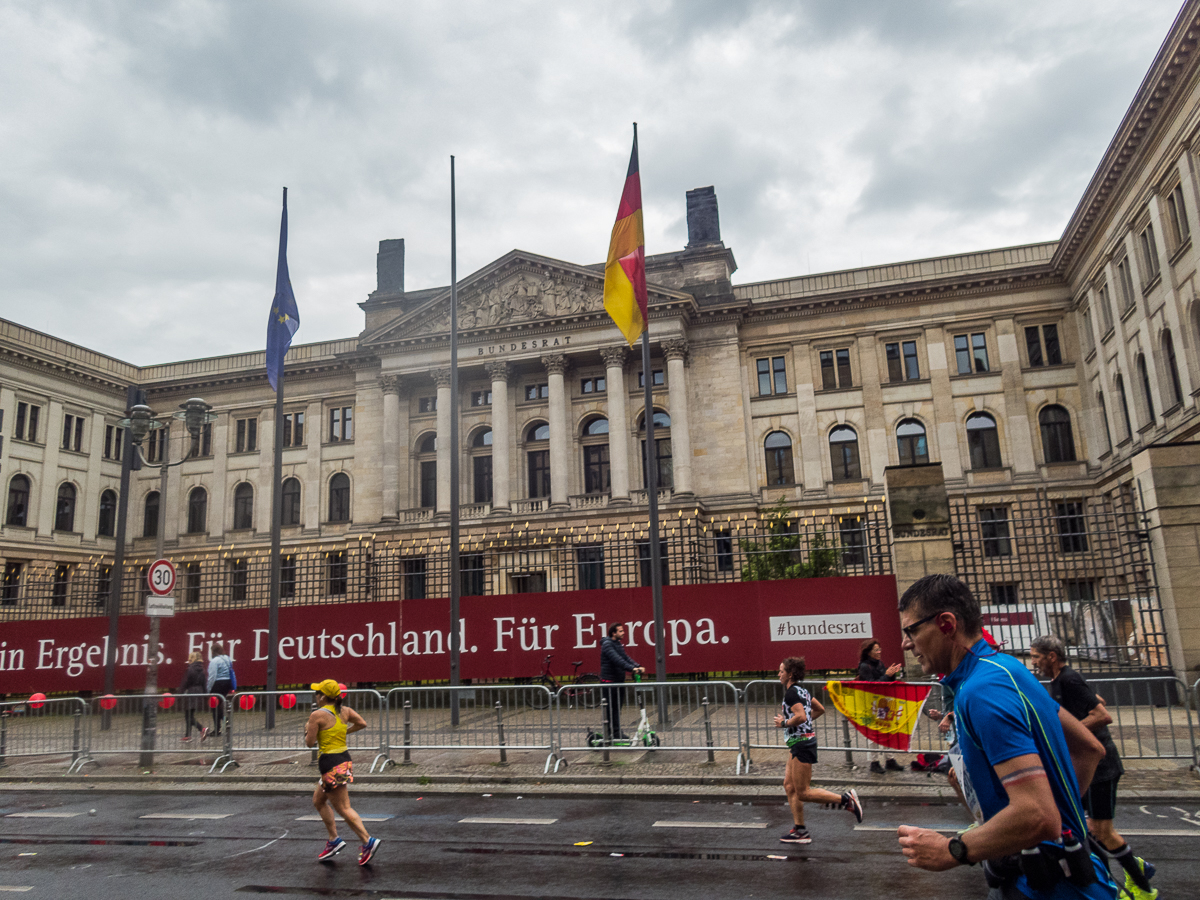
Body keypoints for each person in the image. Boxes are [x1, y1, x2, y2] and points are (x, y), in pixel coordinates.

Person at [894, 574, 1116, 899]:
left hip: (1039, 887)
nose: (905, 643)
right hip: (1073, 874)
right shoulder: (1007, 667)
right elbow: (1089, 748)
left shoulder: (981, 691)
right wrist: (1054, 824)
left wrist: (953, 849)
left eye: (911, 630)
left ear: (945, 623)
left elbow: (1037, 814)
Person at [1031, 634, 1156, 900]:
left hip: (1102, 766)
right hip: (1089, 763)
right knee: (1085, 828)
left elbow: (1102, 715)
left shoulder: (1068, 678)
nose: (1034, 663)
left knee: (1102, 832)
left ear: (1051, 656)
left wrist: (1071, 732)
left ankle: (1144, 888)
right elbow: (1097, 700)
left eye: (1036, 657)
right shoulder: (1060, 680)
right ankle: (1113, 879)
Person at [774, 656, 864, 843]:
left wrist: (785, 723)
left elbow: (800, 716)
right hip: (798, 742)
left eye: (781, 671)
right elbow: (820, 709)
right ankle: (800, 831)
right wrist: (801, 725)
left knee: (803, 792)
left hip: (802, 744)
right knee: (789, 785)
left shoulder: (791, 693)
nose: (778, 674)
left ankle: (846, 800)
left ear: (790, 674)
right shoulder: (802, 691)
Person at [305, 679, 381, 866]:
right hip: (343, 760)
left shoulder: (317, 715)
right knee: (318, 800)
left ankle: (367, 841)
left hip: (331, 763)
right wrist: (344, 731)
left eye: (317, 693)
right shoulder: (344, 711)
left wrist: (307, 729)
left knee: (344, 808)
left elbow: (309, 743)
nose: (315, 696)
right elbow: (362, 723)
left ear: (323, 696)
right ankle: (334, 840)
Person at [856, 638, 905, 774]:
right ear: (869, 652)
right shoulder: (865, 666)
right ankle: (874, 762)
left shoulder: (880, 664)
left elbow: (886, 681)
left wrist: (891, 675)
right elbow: (872, 686)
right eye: (876, 650)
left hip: (883, 703)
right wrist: (887, 675)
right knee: (873, 733)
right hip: (870, 704)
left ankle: (890, 760)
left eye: (879, 649)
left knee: (887, 730)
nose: (879, 652)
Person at [599, 624, 644, 741]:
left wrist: (637, 666)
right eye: (621, 631)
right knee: (609, 709)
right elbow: (617, 660)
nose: (623, 633)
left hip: (618, 681)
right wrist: (631, 668)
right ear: (613, 633)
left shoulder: (618, 644)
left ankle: (616, 732)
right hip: (609, 682)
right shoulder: (607, 645)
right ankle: (609, 733)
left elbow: (625, 657)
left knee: (616, 709)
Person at [176, 651, 209, 743]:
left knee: (188, 716)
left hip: (190, 692)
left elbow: (184, 683)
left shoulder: (190, 669)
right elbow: (204, 683)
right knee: (189, 714)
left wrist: (179, 694)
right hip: (199, 693)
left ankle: (202, 729)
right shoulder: (202, 670)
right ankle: (187, 735)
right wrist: (206, 696)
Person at [205, 641, 236, 737]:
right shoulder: (227, 658)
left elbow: (212, 676)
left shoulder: (214, 661)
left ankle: (217, 729)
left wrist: (208, 689)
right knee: (221, 704)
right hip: (227, 683)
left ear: (213, 651)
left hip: (218, 684)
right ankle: (225, 721)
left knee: (215, 706)